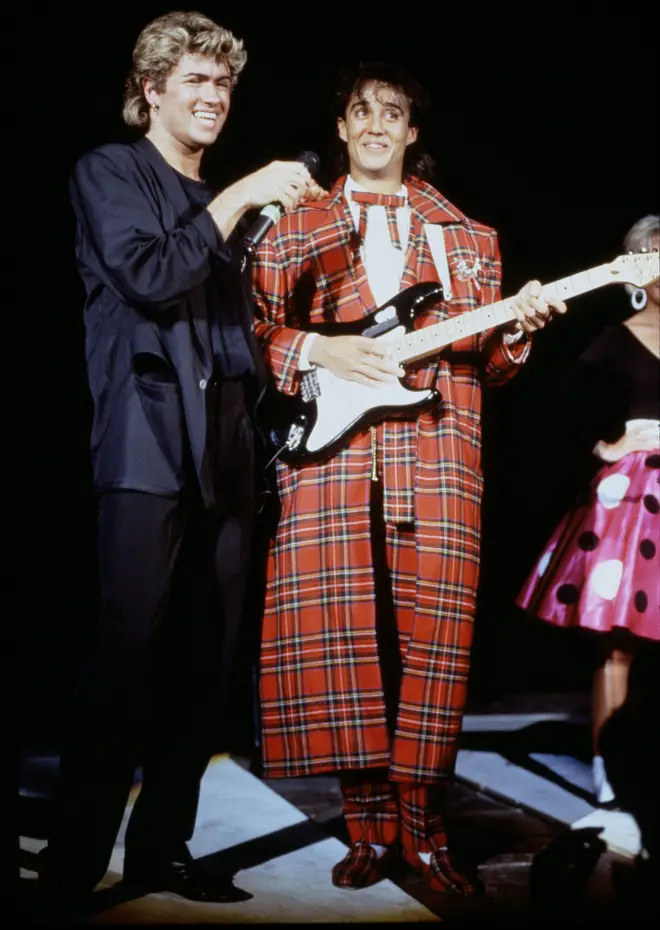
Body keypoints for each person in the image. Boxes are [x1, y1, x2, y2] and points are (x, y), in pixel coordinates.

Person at [251, 61, 567, 895]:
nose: (378, 126)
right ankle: (367, 831)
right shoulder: (300, 222)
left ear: (413, 132)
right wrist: (316, 347)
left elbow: (492, 365)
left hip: (437, 448)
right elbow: (253, 326)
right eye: (363, 113)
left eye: (394, 114)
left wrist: (520, 331)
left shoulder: (470, 238)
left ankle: (422, 830)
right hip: (333, 451)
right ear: (343, 129)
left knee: (435, 642)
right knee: (339, 638)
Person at [37, 10, 323, 910]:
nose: (214, 97)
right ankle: (73, 860)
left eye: (224, 84)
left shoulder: (235, 217)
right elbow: (150, 276)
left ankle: (162, 847)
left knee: (206, 665)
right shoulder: (109, 172)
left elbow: (241, 338)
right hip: (146, 448)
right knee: (126, 656)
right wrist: (237, 198)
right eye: (196, 81)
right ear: (152, 89)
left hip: (230, 457)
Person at [517, 214, 659, 806]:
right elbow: (555, 404)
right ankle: (610, 778)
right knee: (619, 646)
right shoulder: (618, 337)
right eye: (653, 252)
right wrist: (604, 446)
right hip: (632, 501)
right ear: (635, 266)